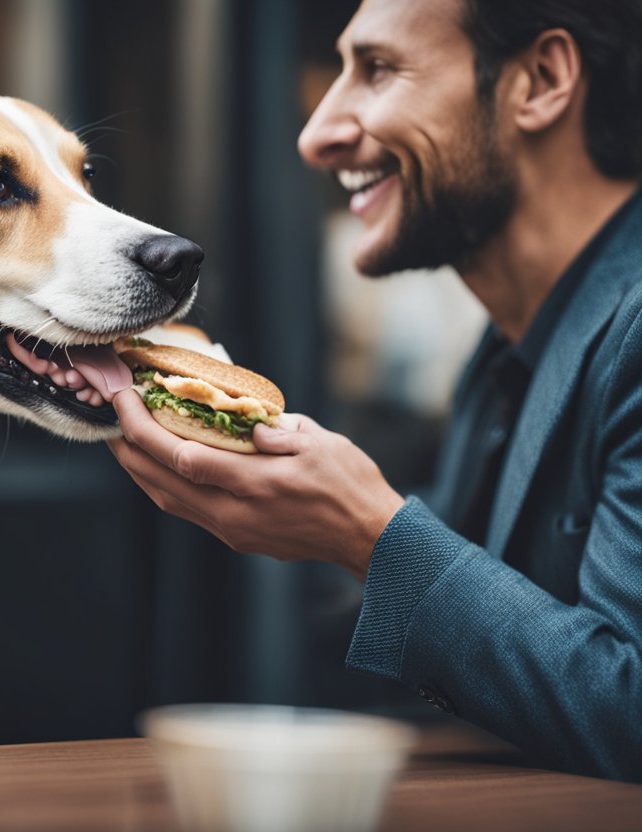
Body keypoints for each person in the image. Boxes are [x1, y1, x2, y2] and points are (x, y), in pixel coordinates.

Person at [108, 0, 642, 781]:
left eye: (379, 69)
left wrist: (369, 533)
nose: (317, 132)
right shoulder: (504, 352)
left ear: (540, 80)